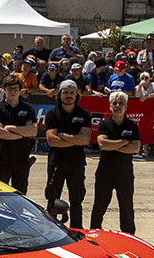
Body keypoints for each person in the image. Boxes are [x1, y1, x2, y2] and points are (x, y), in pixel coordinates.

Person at [89, 91, 140, 234]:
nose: (117, 106)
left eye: (121, 103)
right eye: (115, 103)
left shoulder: (132, 125)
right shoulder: (104, 124)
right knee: (99, 206)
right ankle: (94, 233)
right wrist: (124, 142)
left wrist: (113, 146)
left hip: (125, 173)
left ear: (126, 106)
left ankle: (129, 236)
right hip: (105, 172)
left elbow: (135, 148)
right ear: (110, 105)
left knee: (126, 207)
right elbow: (103, 144)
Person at [44, 81, 92, 229]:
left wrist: (63, 136)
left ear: (77, 94)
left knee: (76, 200)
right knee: (52, 199)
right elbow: (52, 141)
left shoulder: (83, 114)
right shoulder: (52, 113)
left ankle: (77, 230)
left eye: (72, 93)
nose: (69, 96)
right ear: (60, 94)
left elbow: (85, 139)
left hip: (76, 163)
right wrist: (75, 140)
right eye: (65, 93)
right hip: (56, 162)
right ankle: (51, 231)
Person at [0, 73, 38, 193]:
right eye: (9, 88)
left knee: (20, 196)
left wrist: (11, 128)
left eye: (15, 88)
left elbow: (33, 131)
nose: (12, 91)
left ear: (20, 90)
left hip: (21, 160)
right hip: (1, 160)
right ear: (4, 89)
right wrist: (22, 133)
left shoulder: (28, 108)